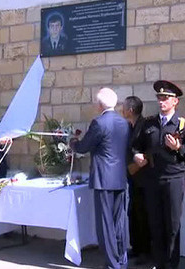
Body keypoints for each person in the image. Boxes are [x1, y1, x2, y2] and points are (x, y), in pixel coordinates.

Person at [133, 80, 185, 269]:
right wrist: (136, 155)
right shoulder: (149, 123)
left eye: (166, 98)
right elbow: (136, 145)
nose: (161, 101)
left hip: (173, 179)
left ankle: (171, 263)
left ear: (175, 101)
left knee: (172, 225)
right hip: (152, 179)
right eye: (159, 98)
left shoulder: (183, 125)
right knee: (155, 223)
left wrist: (179, 147)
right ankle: (159, 262)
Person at [70, 87, 129, 269]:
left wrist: (73, 142)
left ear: (100, 104)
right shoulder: (123, 122)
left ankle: (112, 265)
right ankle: (121, 260)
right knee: (119, 222)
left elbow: (83, 147)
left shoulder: (99, 123)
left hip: (104, 178)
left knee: (105, 224)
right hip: (120, 176)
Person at [122, 96, 150, 265]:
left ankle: (145, 251)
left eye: (124, 107)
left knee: (143, 214)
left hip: (143, 177)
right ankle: (136, 247)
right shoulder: (128, 126)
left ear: (130, 110)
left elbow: (146, 149)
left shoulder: (145, 126)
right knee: (132, 212)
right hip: (132, 177)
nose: (122, 110)